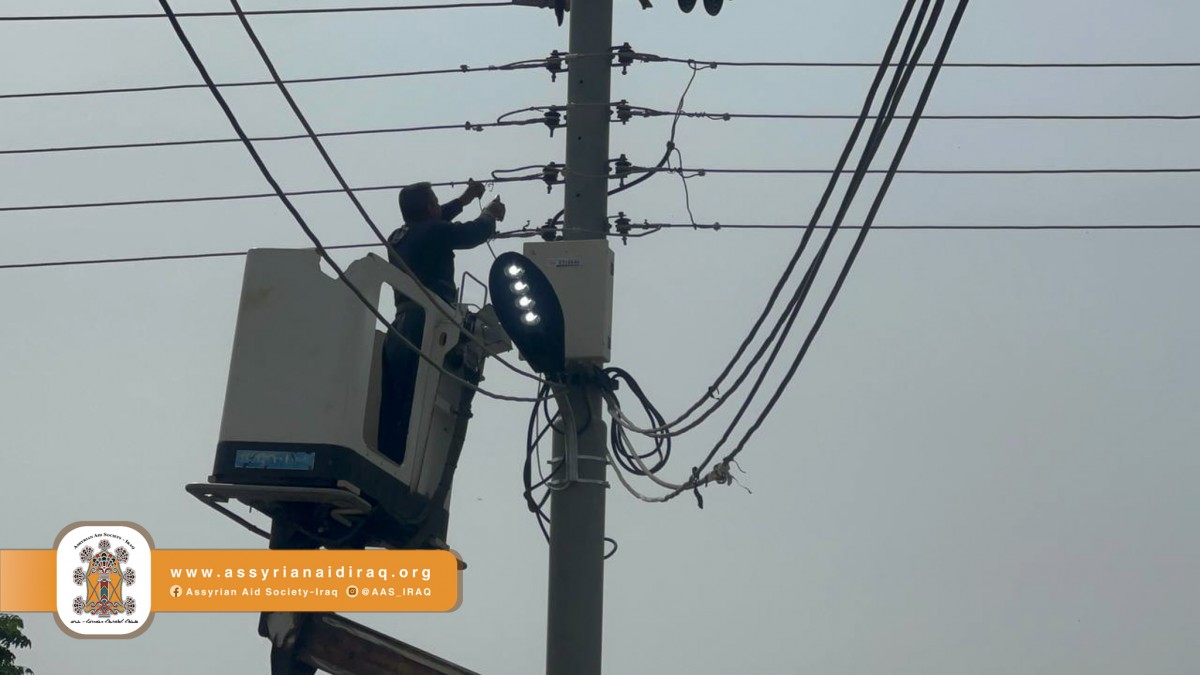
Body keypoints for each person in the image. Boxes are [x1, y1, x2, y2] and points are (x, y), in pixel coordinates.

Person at [378, 180, 506, 464]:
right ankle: (402, 460)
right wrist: (489, 215)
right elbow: (470, 234)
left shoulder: (399, 236)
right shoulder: (433, 232)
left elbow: (435, 220)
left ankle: (386, 459)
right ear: (428, 208)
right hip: (425, 323)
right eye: (435, 201)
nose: (439, 205)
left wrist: (465, 199)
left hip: (400, 327)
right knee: (416, 400)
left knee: (394, 400)